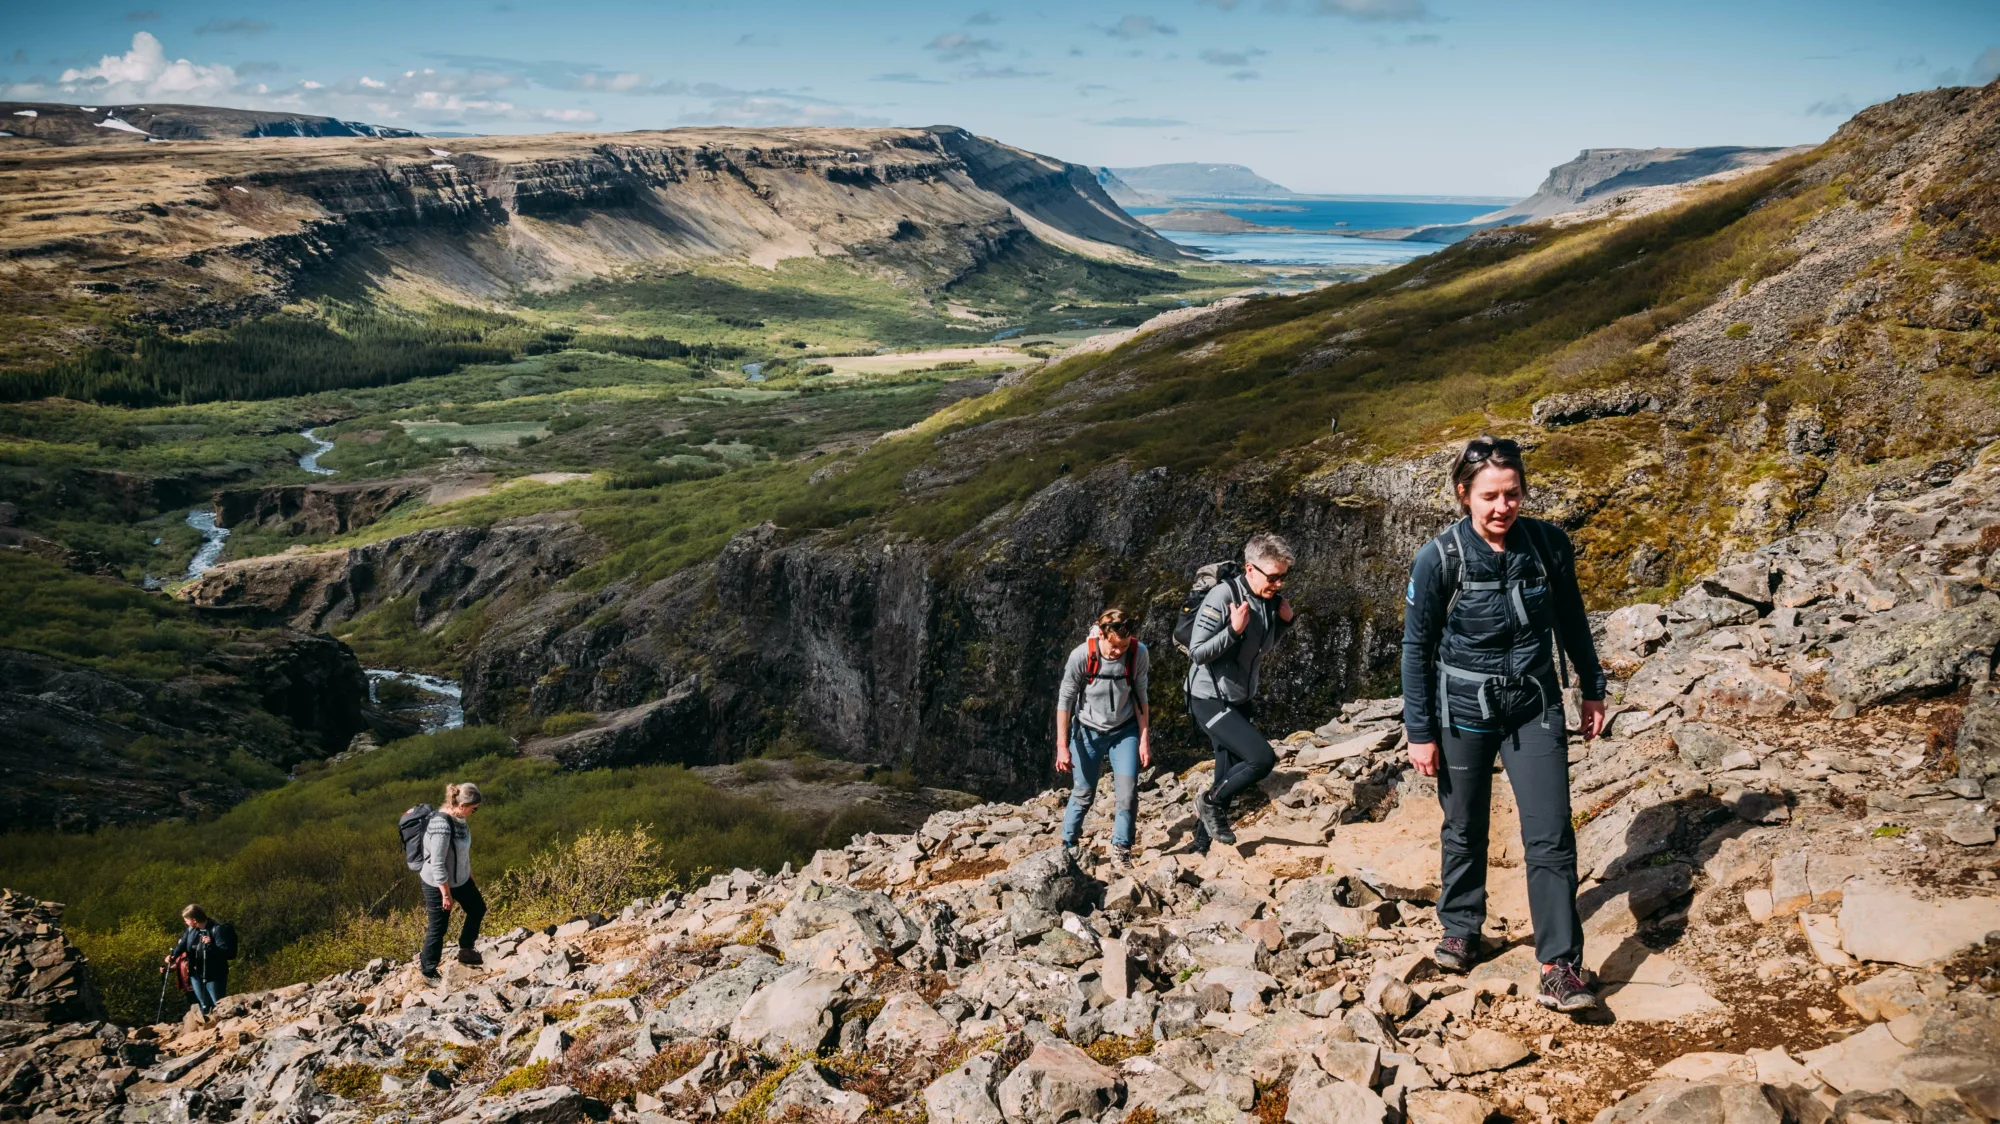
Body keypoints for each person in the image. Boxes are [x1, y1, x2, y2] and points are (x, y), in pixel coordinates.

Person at [1400, 435, 1609, 1014]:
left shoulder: (1547, 545)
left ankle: (1559, 965)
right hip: (1462, 712)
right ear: (1463, 494)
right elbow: (1416, 648)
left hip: (1534, 704)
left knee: (1550, 834)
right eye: (1490, 495)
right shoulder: (1438, 558)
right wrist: (1420, 730)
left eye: (1512, 494)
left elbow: (1572, 619)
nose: (1502, 507)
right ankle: (1462, 927)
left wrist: (1591, 689)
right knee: (1463, 825)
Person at [1185, 532, 1298, 848]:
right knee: (1261, 759)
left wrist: (1285, 623)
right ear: (1251, 569)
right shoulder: (1223, 597)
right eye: (1273, 577)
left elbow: (1262, 648)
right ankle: (1208, 801)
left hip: (1240, 698)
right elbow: (1197, 652)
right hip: (1209, 698)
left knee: (1227, 772)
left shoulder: (1267, 602)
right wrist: (1233, 631)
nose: (1278, 585)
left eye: (1283, 578)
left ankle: (1200, 846)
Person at [1056, 608, 1152, 867]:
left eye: (1123, 646)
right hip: (1087, 731)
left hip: (1124, 731)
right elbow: (1065, 701)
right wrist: (1062, 746)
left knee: (1127, 792)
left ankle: (1122, 848)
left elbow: (1141, 697)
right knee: (1084, 792)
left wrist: (1144, 739)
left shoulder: (1137, 652)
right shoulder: (1082, 655)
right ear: (1101, 634)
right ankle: (1069, 844)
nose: (1118, 652)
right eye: (1114, 646)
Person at [419, 782, 487, 981]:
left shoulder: (460, 819)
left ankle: (466, 949)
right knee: (438, 927)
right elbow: (437, 863)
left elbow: (461, 853)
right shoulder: (441, 825)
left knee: (477, 908)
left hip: (460, 879)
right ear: (462, 805)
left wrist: (469, 874)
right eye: (473, 809)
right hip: (437, 883)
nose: (474, 812)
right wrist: (446, 893)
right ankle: (428, 971)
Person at [163, 904, 236, 1016]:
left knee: (218, 1004)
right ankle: (209, 1027)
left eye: (186, 920)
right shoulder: (191, 930)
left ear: (194, 920)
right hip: (195, 973)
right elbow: (183, 945)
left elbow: (225, 952)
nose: (185, 922)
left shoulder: (217, 929)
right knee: (204, 1004)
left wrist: (211, 945)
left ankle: (223, 1026)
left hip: (214, 974)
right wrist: (173, 956)